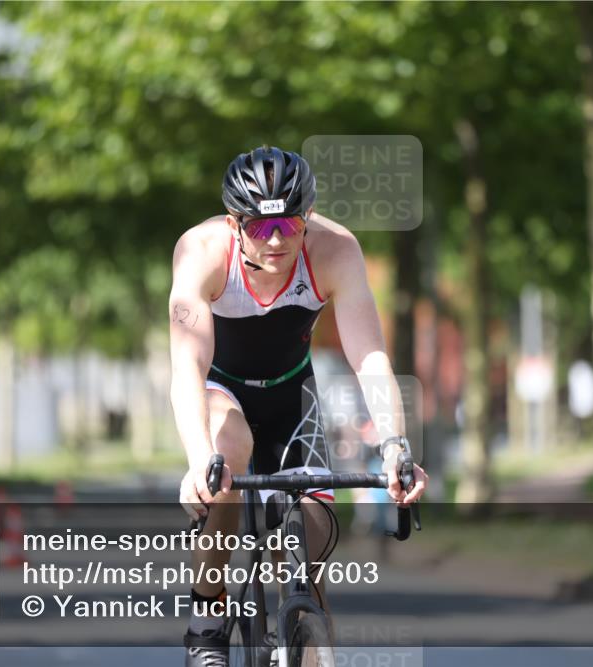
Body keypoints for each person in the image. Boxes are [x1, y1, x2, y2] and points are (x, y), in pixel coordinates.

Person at [169, 146, 428, 667]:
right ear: (233, 223)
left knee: (310, 549)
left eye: (289, 225)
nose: (277, 241)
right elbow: (187, 369)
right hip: (225, 390)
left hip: (293, 394)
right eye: (260, 229)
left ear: (307, 217)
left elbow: (370, 357)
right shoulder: (200, 251)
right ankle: (207, 617)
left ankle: (304, 633)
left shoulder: (335, 250)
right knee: (230, 455)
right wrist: (200, 459)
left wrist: (396, 447)